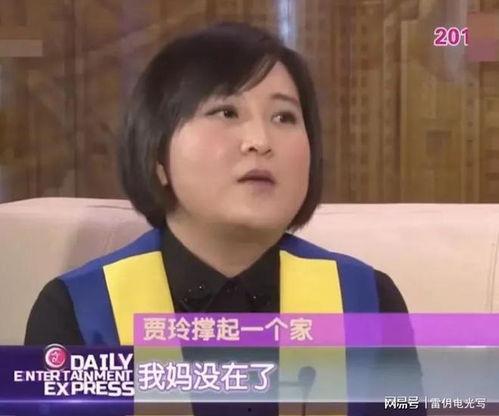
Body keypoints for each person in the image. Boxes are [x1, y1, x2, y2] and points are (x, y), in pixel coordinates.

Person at [25, 22, 425, 415]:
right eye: (226, 112)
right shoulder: (81, 312)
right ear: (158, 156)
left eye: (284, 117)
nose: (260, 141)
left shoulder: (365, 300)